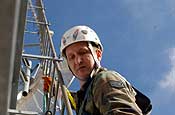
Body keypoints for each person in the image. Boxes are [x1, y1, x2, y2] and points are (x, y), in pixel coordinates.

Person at [60, 25, 152, 115]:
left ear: (98, 54)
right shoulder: (86, 95)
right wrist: (56, 89)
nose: (78, 61)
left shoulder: (104, 80)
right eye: (71, 57)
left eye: (83, 52)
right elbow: (79, 102)